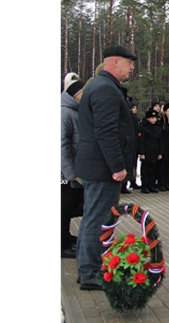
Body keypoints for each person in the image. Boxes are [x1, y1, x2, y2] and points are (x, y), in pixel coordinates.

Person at [74, 45, 138, 291]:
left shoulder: (101, 86)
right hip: (102, 168)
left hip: (97, 166)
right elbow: (106, 132)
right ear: (115, 62)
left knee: (93, 217)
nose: (131, 67)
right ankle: (91, 272)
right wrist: (118, 167)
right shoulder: (105, 89)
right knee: (98, 219)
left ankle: (87, 268)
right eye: (128, 62)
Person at [60, 73, 85, 258]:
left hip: (71, 169)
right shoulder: (64, 111)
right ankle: (62, 245)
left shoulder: (74, 110)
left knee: (69, 206)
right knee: (64, 207)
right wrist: (70, 173)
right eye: (82, 92)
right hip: (64, 172)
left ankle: (65, 237)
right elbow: (62, 144)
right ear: (73, 94)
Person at [138, 109, 163, 194]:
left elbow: (160, 141)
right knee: (145, 169)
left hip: (155, 150)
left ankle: (152, 185)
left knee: (153, 169)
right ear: (148, 118)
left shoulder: (158, 128)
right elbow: (141, 141)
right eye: (152, 118)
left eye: (155, 118)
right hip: (146, 150)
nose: (154, 120)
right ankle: (144, 186)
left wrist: (160, 152)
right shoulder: (143, 127)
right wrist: (141, 153)